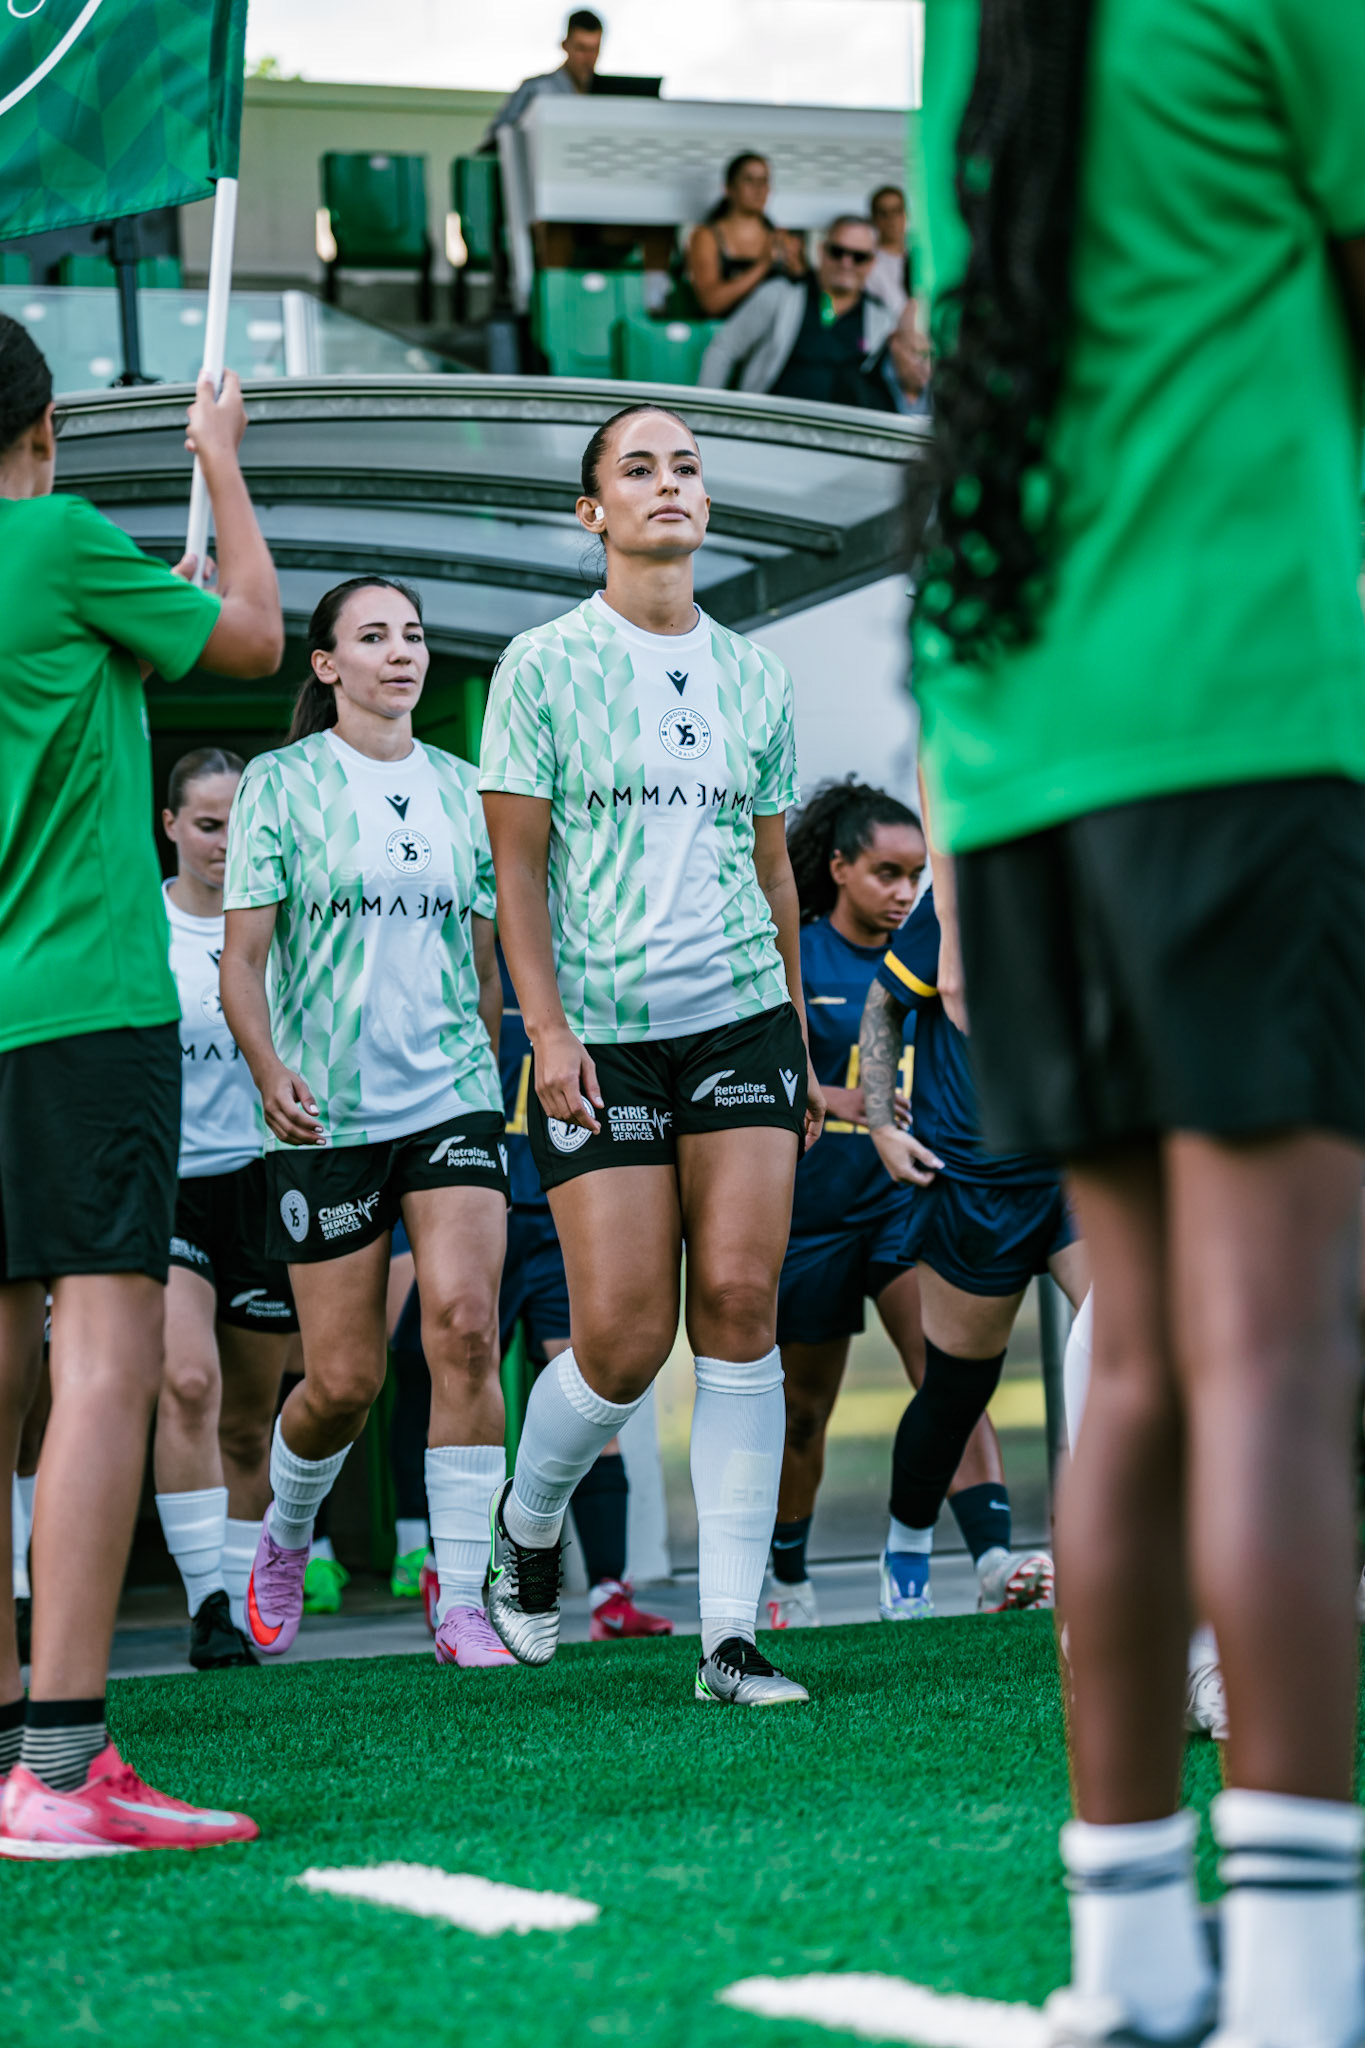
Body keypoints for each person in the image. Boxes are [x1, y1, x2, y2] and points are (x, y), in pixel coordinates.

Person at [915, 3, 1365, 2042]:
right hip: (1242, 708)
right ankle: (1297, 1976)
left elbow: (957, 332)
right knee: (1273, 1354)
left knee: (1150, 1364)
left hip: (1018, 750)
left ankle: (1132, 1961)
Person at [479, 401, 822, 1707]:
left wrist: (792, 1021)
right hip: (600, 1038)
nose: (667, 483)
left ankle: (728, 1639)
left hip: (739, 1018)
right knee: (620, 1342)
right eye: (638, 468)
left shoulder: (757, 676)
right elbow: (516, 872)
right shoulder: (542, 666)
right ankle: (528, 1522)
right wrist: (546, 1028)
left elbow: (773, 870)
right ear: (593, 513)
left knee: (739, 1306)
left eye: (685, 465)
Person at [0, 316, 283, 1855]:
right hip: (79, 1012)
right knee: (102, 1364)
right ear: (43, 431)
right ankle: (60, 1764)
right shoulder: (51, 541)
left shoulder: (63, 577)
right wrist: (218, 466)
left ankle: (6, 1756)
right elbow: (251, 637)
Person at [220, 577, 515, 1673]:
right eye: (375, 636)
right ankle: (287, 1530)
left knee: (468, 1325)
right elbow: (240, 962)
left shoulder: (463, 786)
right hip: (325, 1110)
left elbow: (484, 965)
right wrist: (267, 1069)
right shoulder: (279, 787)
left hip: (451, 1094)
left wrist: (483, 1076)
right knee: (343, 1379)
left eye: (416, 635)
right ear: (327, 664)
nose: (403, 653)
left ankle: (465, 1595)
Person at [769, 780, 1038, 1627]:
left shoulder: (936, 935)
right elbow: (762, 1073)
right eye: (885, 873)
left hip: (901, 1202)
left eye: (916, 875)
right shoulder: (796, 956)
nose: (903, 892)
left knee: (949, 1374)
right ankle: (786, 1579)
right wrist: (832, 1096)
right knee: (805, 1410)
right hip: (809, 1216)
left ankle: (993, 1559)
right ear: (839, 868)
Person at [392, 946, 674, 1641]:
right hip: (473, 1209)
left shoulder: (587, 959)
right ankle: (434, 1560)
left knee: (593, 1382)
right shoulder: (457, 960)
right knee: (437, 1370)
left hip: (555, 1214)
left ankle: (609, 1591)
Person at [858, 859, 1087, 1621]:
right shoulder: (973, 887)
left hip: (1081, 1171)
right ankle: (906, 1546)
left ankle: (1117, 1553)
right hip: (973, 1181)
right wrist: (883, 1128)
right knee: (956, 1389)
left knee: (1121, 1342)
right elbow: (883, 1006)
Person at [154, 747, 300, 1672]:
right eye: (208, 824)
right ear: (170, 825)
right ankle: (205, 1601)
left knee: (253, 1416)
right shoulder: (138, 925)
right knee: (189, 1384)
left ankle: (242, 1603)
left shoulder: (284, 929)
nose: (224, 844)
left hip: (265, 1181)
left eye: (240, 824)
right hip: (167, 1184)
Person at [698, 214, 916, 409]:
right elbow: (724, 349)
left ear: (872, 263)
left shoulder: (883, 319)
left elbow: (905, 390)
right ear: (821, 251)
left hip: (848, 443)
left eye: (858, 257)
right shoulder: (779, 295)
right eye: (837, 252)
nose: (846, 263)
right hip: (770, 434)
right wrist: (706, 415)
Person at [683, 154, 806, 321]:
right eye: (749, 180)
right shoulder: (707, 236)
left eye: (764, 181)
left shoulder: (780, 236)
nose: (758, 189)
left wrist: (797, 270)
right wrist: (763, 265)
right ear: (728, 188)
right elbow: (712, 303)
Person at [482, 8, 603, 147]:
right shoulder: (536, 90)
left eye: (594, 49)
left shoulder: (607, 95)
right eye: (581, 48)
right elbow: (497, 137)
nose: (588, 58)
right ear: (565, 45)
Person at [868, 184, 912, 319]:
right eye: (884, 213)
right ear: (874, 219)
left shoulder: (920, 259)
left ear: (905, 215)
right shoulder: (867, 263)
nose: (891, 219)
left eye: (896, 211)